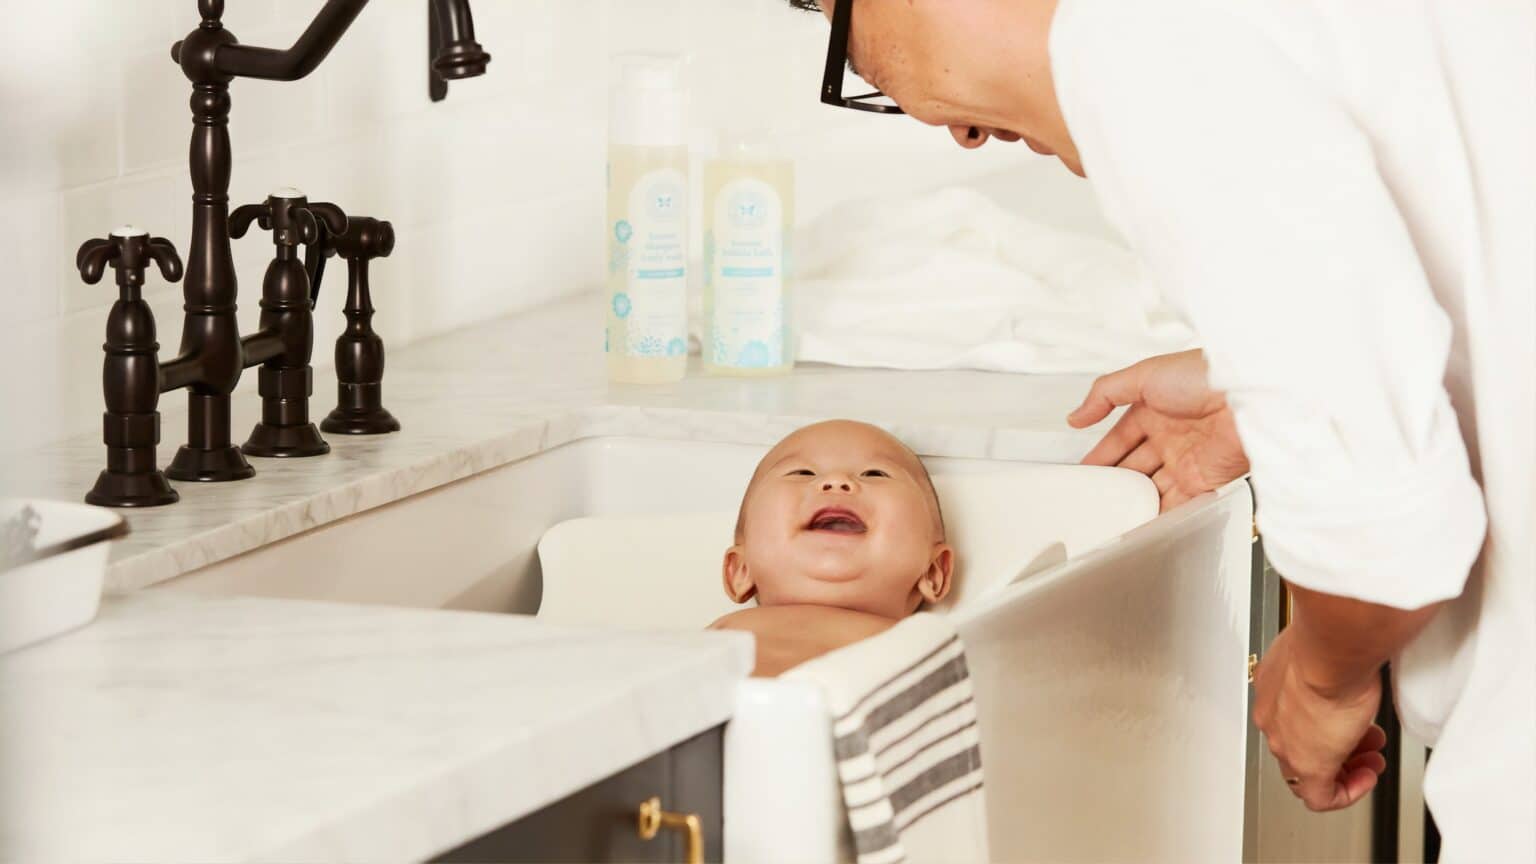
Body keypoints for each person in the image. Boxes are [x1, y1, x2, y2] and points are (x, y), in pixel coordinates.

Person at [789, 1, 1534, 858]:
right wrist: (1257, 387)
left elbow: (1386, 534)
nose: (951, 132)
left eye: (843, 35)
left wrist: (1320, 684)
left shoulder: (1147, 41)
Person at [710, 420, 954, 676]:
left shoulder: (923, 646)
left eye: (875, 473)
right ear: (740, 571)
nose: (837, 481)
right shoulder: (720, 633)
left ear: (934, 572)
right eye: (802, 472)